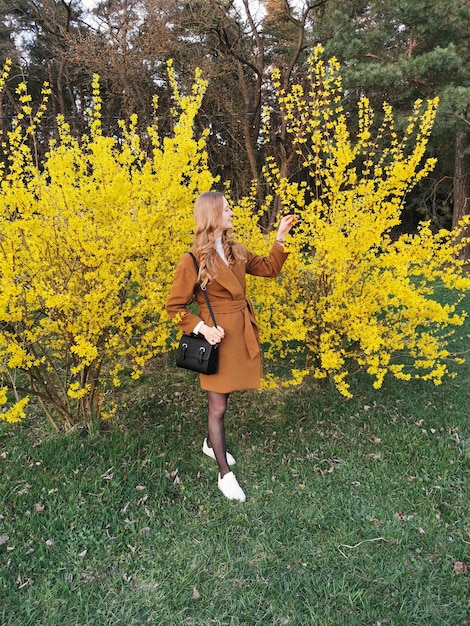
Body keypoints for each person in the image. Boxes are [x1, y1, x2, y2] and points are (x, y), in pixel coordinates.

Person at [165, 191, 297, 502]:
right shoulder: (193, 259)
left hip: (239, 331)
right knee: (218, 406)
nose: (232, 212)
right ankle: (225, 475)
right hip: (217, 337)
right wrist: (201, 328)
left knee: (227, 397)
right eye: (227, 208)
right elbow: (174, 307)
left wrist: (280, 239)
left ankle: (212, 444)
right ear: (212, 215)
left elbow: (268, 268)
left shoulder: (236, 250)